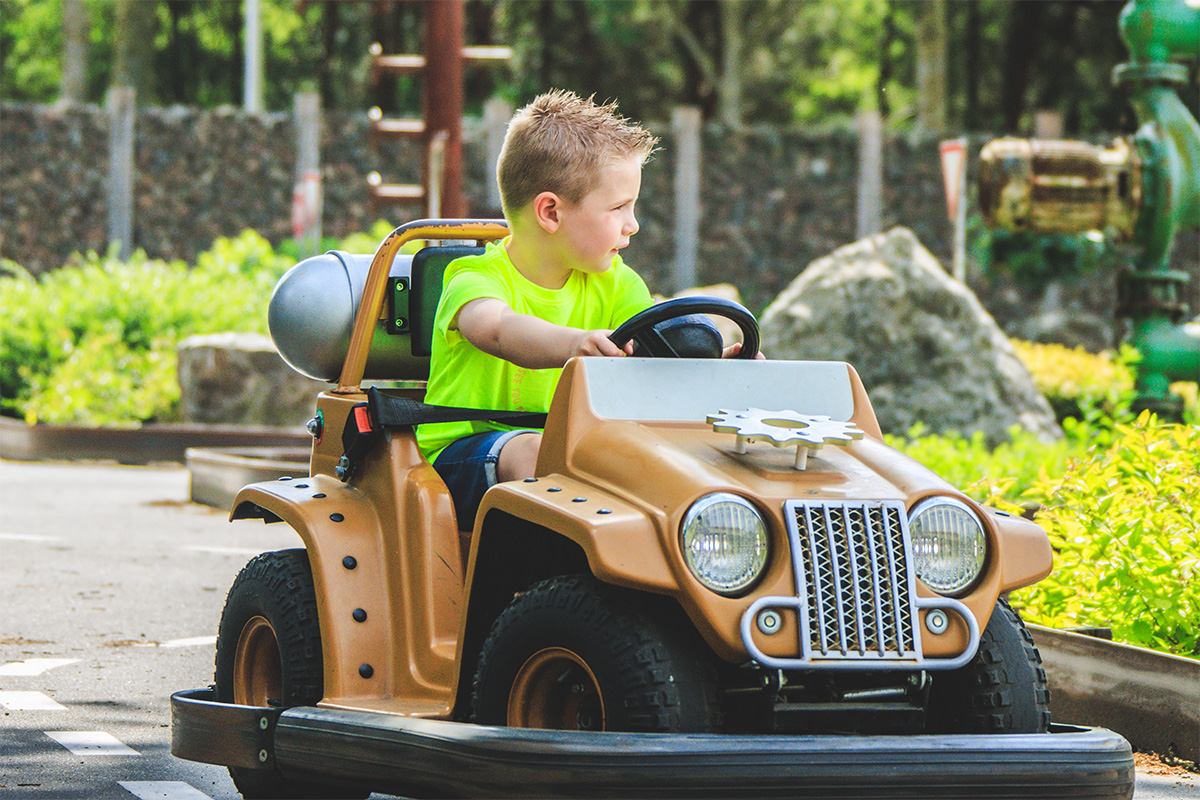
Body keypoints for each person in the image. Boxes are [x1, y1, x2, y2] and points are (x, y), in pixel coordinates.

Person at [416, 89, 749, 531]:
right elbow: (497, 329)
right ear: (550, 212)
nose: (634, 224)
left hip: (573, 450)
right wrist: (574, 342)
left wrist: (710, 369)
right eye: (618, 208)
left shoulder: (617, 283)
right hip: (465, 451)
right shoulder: (474, 279)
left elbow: (658, 339)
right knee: (532, 452)